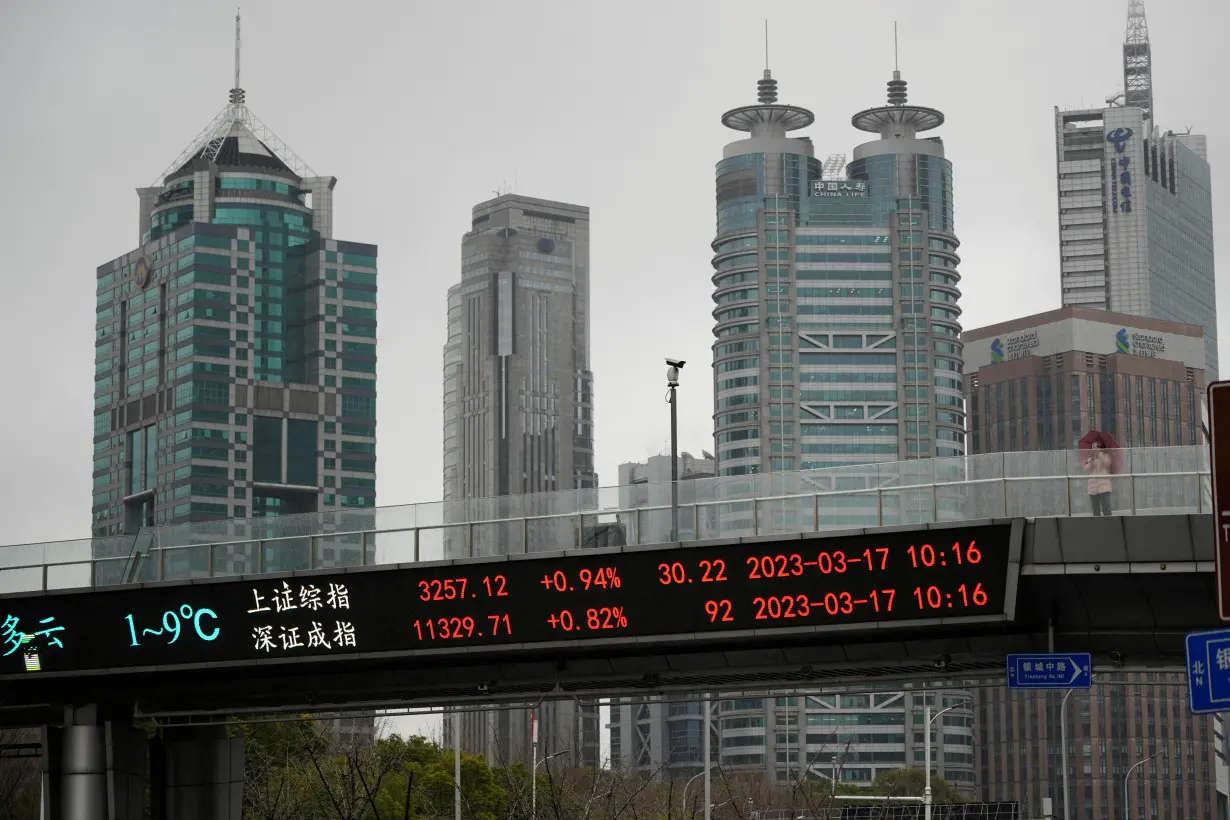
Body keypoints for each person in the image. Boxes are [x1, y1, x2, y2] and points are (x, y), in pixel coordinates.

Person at [1082, 441, 1113, 516]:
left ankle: (1110, 526)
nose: (1094, 449)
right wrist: (1092, 459)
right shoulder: (1089, 459)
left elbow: (1107, 463)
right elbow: (1087, 469)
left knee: (1107, 509)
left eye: (1096, 447)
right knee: (1095, 511)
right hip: (1093, 489)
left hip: (1104, 487)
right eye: (1093, 447)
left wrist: (1099, 455)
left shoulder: (1105, 455)